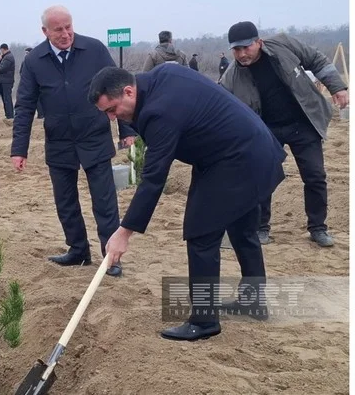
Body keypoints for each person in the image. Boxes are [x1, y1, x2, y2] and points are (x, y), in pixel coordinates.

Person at [89, 64, 287, 340]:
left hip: (236, 159)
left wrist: (124, 232)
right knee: (242, 230)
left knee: (201, 234)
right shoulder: (163, 76)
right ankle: (253, 301)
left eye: (112, 109)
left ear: (129, 91)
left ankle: (204, 322)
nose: (112, 118)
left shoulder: (160, 111)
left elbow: (154, 178)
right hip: (247, 149)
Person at [11, 5, 137, 277]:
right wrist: (18, 149)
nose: (66, 34)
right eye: (59, 30)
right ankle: (78, 250)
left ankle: (110, 257)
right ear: (45, 31)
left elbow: (119, 90)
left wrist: (127, 129)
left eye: (69, 27)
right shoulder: (34, 61)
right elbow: (24, 106)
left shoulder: (94, 50)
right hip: (59, 141)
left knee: (104, 202)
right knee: (66, 202)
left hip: (94, 136)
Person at [219, 21, 349, 247]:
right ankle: (261, 228)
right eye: (236, 49)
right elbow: (219, 107)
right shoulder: (231, 77)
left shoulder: (284, 45)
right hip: (266, 131)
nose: (241, 54)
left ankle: (318, 228)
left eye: (246, 47)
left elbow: (316, 60)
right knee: (261, 178)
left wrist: (337, 87)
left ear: (259, 42)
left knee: (315, 176)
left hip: (303, 122)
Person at [21, 47, 44, 119]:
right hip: (27, 83)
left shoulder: (37, 61)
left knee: (38, 99)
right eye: (25, 53)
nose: (26, 55)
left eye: (27, 53)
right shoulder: (24, 62)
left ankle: (41, 114)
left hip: (37, 83)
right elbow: (21, 72)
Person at [0, 43, 16, 119]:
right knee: (6, 98)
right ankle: (9, 114)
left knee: (7, 98)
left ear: (3, 49)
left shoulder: (8, 57)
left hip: (7, 81)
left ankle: (10, 115)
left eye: (1, 50)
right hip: (6, 80)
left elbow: (3, 68)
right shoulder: (7, 56)